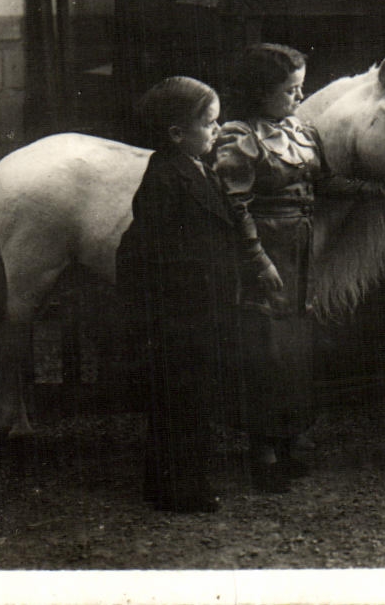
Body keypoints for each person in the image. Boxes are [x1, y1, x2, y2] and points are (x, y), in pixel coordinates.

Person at [212, 44, 385, 492]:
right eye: (289, 89)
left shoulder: (302, 132)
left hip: (302, 247)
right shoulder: (238, 137)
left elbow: (324, 182)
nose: (298, 96)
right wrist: (258, 260)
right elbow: (236, 207)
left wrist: (372, 189)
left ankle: (289, 439)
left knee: (295, 346)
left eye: (300, 87)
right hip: (265, 247)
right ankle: (262, 449)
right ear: (258, 91)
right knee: (264, 347)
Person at [114, 76, 239, 512]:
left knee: (194, 403)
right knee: (178, 406)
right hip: (179, 315)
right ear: (176, 134)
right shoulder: (165, 179)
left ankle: (186, 484)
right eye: (209, 123)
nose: (218, 131)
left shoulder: (197, 169)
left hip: (200, 311)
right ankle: (177, 491)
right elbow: (145, 252)